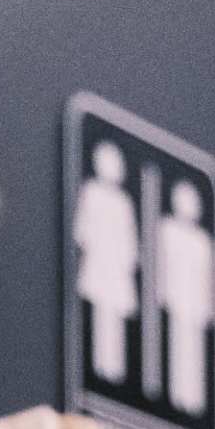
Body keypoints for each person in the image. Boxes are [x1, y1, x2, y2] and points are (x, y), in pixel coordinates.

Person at [73, 142, 143, 389]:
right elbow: (81, 228)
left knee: (114, 316)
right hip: (101, 261)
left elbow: (129, 235)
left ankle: (114, 369)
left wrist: (131, 259)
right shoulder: (92, 191)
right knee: (102, 314)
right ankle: (101, 365)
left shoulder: (124, 202)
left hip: (116, 265)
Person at [155, 178, 215, 416]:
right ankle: (177, 397)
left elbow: (209, 277)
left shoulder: (203, 241)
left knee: (194, 350)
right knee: (178, 345)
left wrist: (210, 307)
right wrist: (161, 292)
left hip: (196, 305)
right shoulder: (168, 229)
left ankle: (192, 401)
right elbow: (160, 263)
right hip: (177, 299)